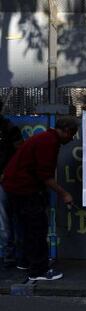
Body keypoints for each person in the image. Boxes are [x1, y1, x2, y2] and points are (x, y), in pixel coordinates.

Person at [1, 116, 78, 281]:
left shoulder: (45, 138)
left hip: (14, 186)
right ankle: (38, 270)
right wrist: (64, 194)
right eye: (72, 134)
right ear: (66, 131)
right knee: (37, 228)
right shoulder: (49, 143)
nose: (72, 139)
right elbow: (45, 176)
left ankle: (26, 261)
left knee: (28, 227)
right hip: (24, 188)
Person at [0, 99, 23, 268]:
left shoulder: (8, 127)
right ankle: (8, 254)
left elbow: (19, 153)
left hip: (3, 179)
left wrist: (6, 173)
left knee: (4, 220)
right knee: (4, 219)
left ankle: (8, 255)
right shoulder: (9, 127)